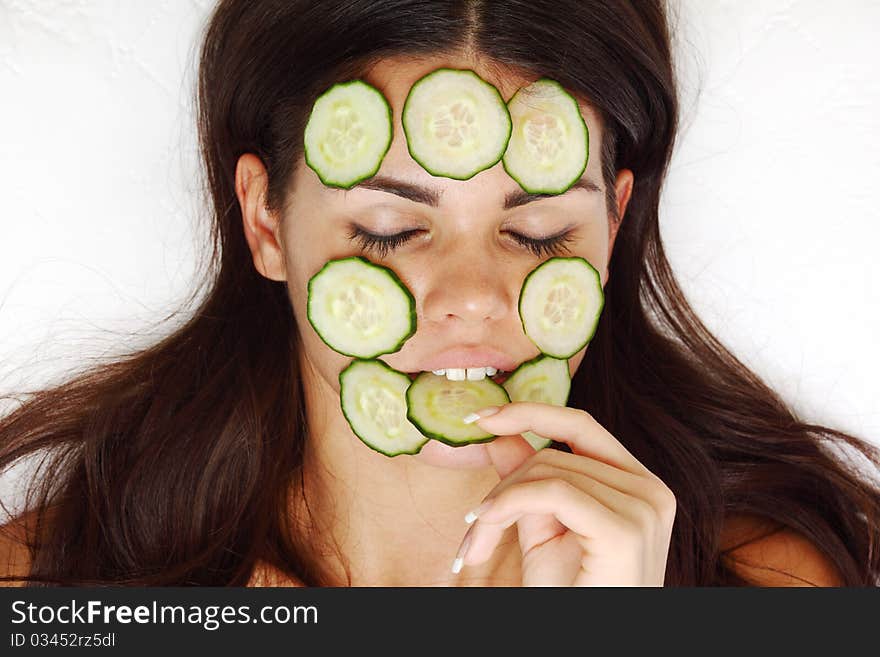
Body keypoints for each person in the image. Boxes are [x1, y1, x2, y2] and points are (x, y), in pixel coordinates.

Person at [1, 0, 878, 587]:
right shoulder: (51, 581)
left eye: (539, 234)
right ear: (265, 222)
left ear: (612, 227)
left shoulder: (774, 582)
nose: (473, 299)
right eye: (388, 229)